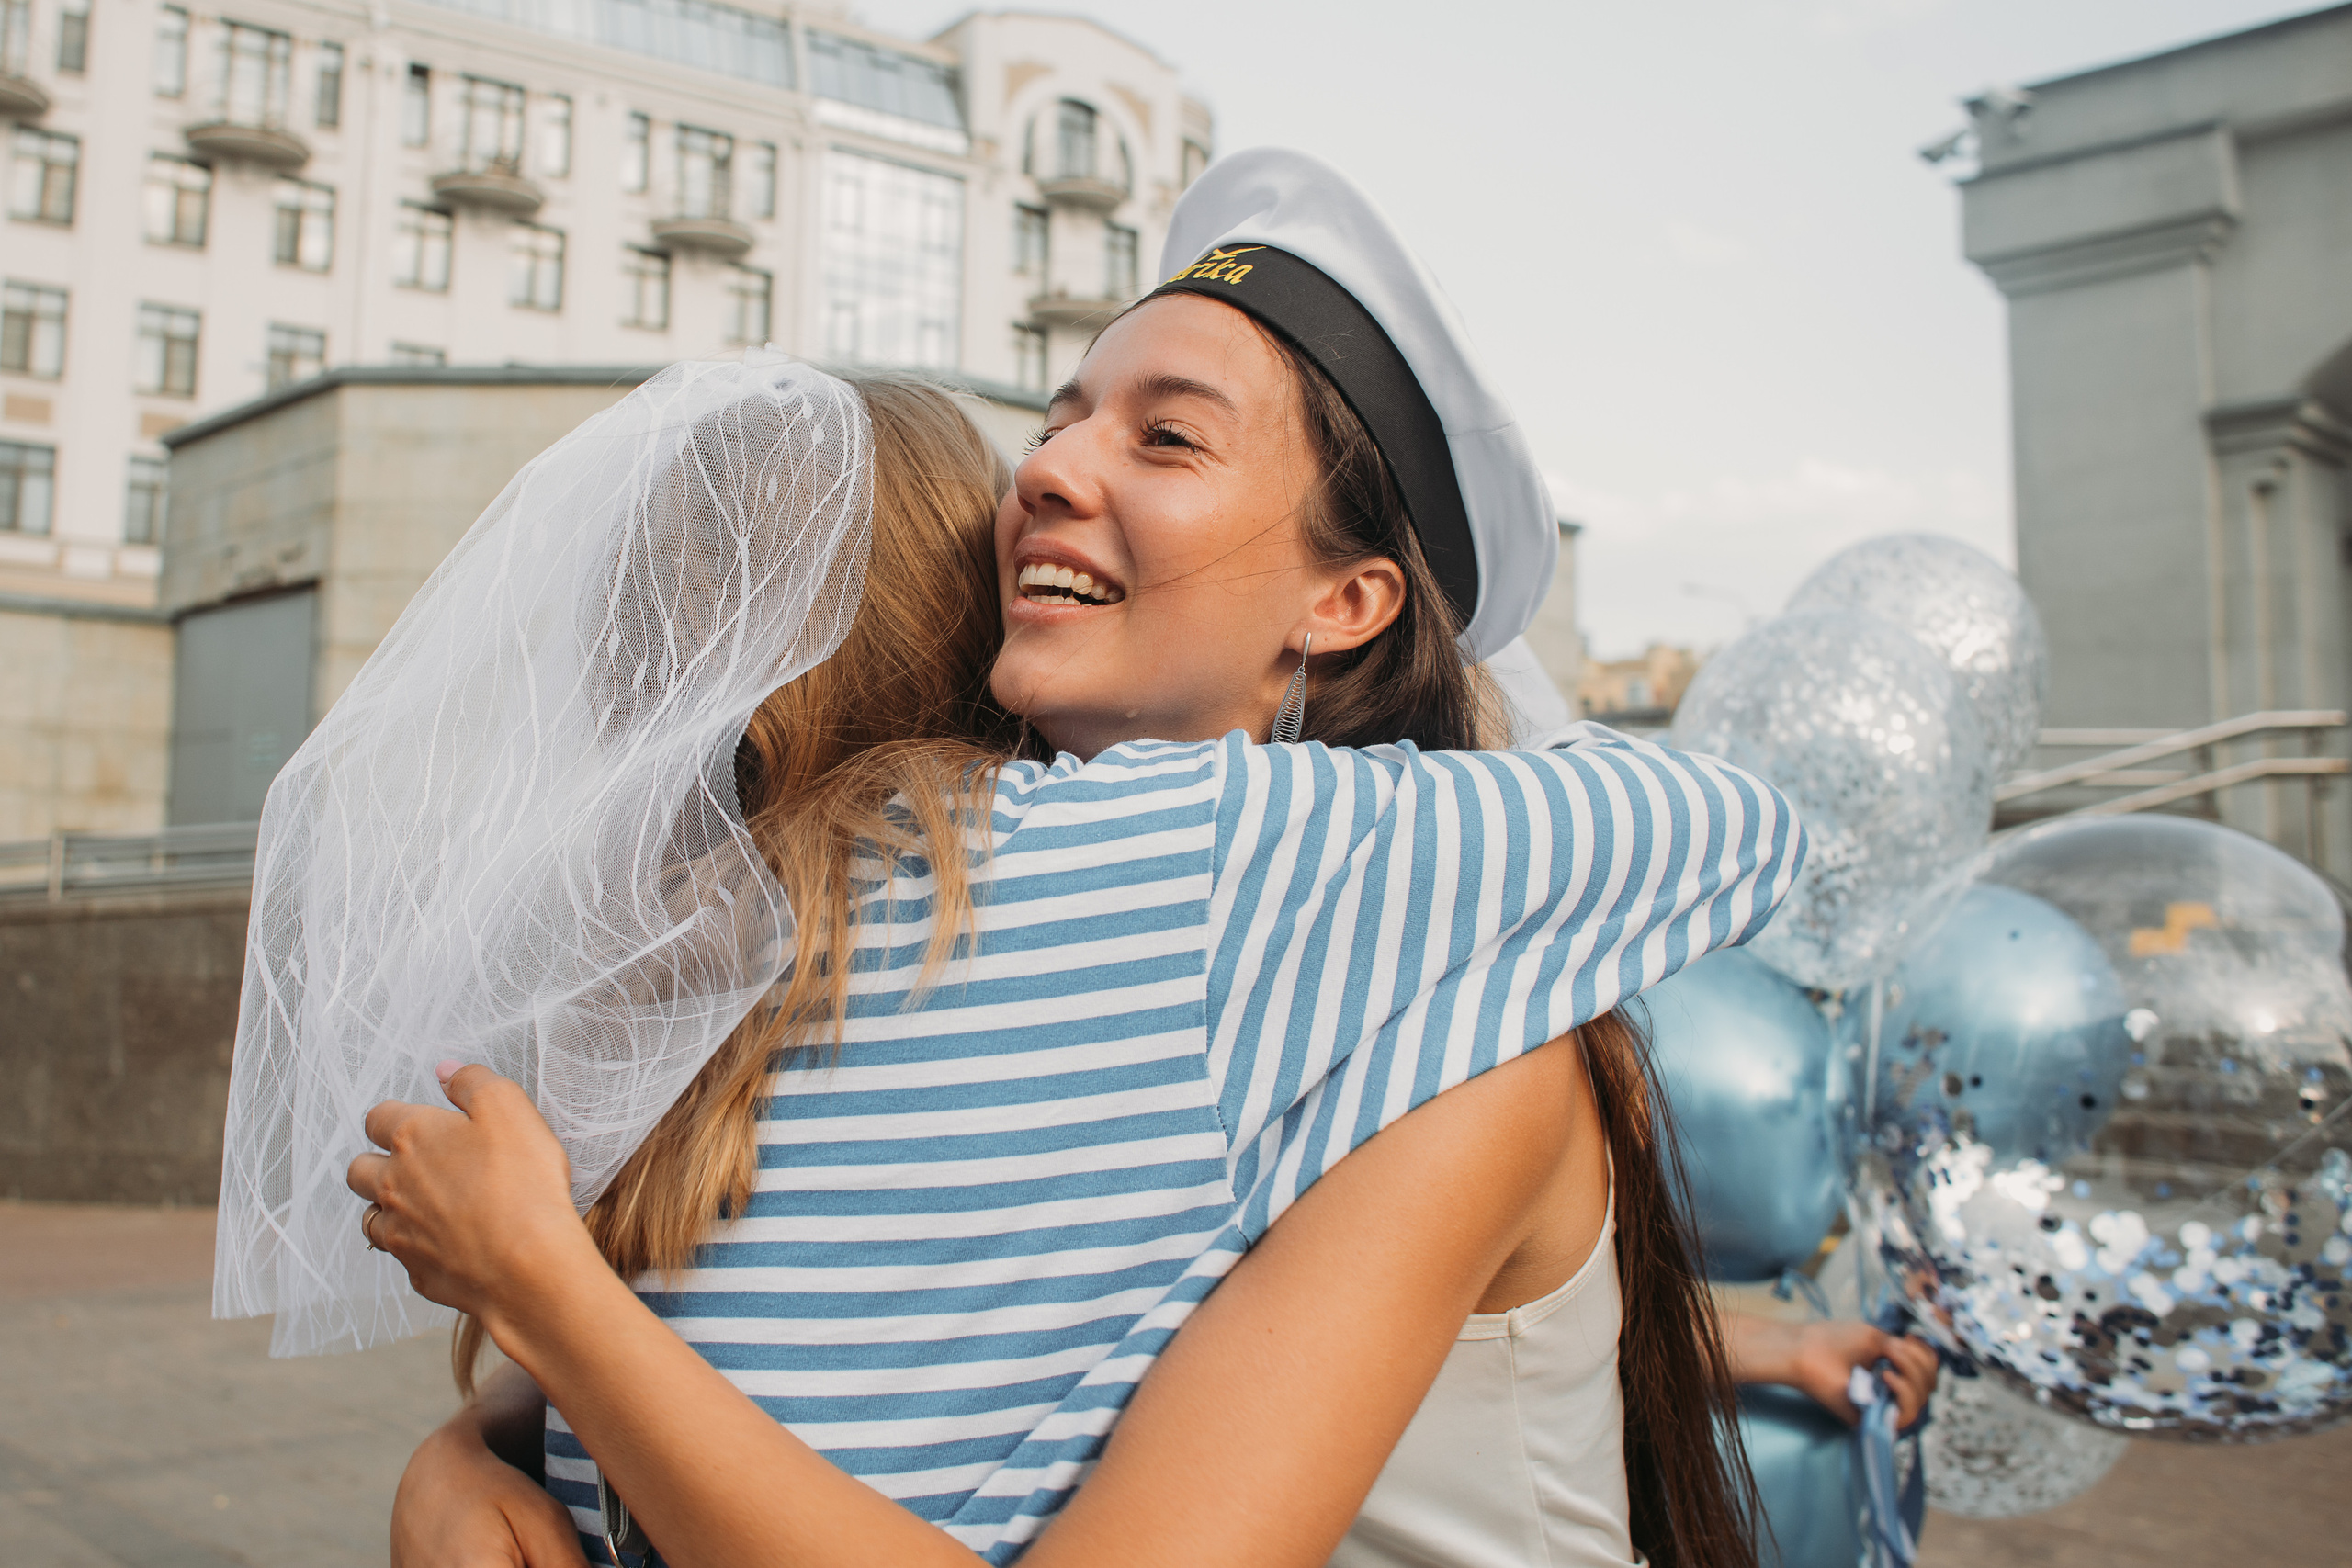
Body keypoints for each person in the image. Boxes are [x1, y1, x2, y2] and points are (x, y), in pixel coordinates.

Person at [293, 151, 1822, 1568]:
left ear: (1347, 602)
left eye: (1165, 438)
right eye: (1057, 418)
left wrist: (544, 1315)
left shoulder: (1439, 1017)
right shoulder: (939, 923)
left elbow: (1728, 820)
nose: (1053, 467)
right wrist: (476, 1441)